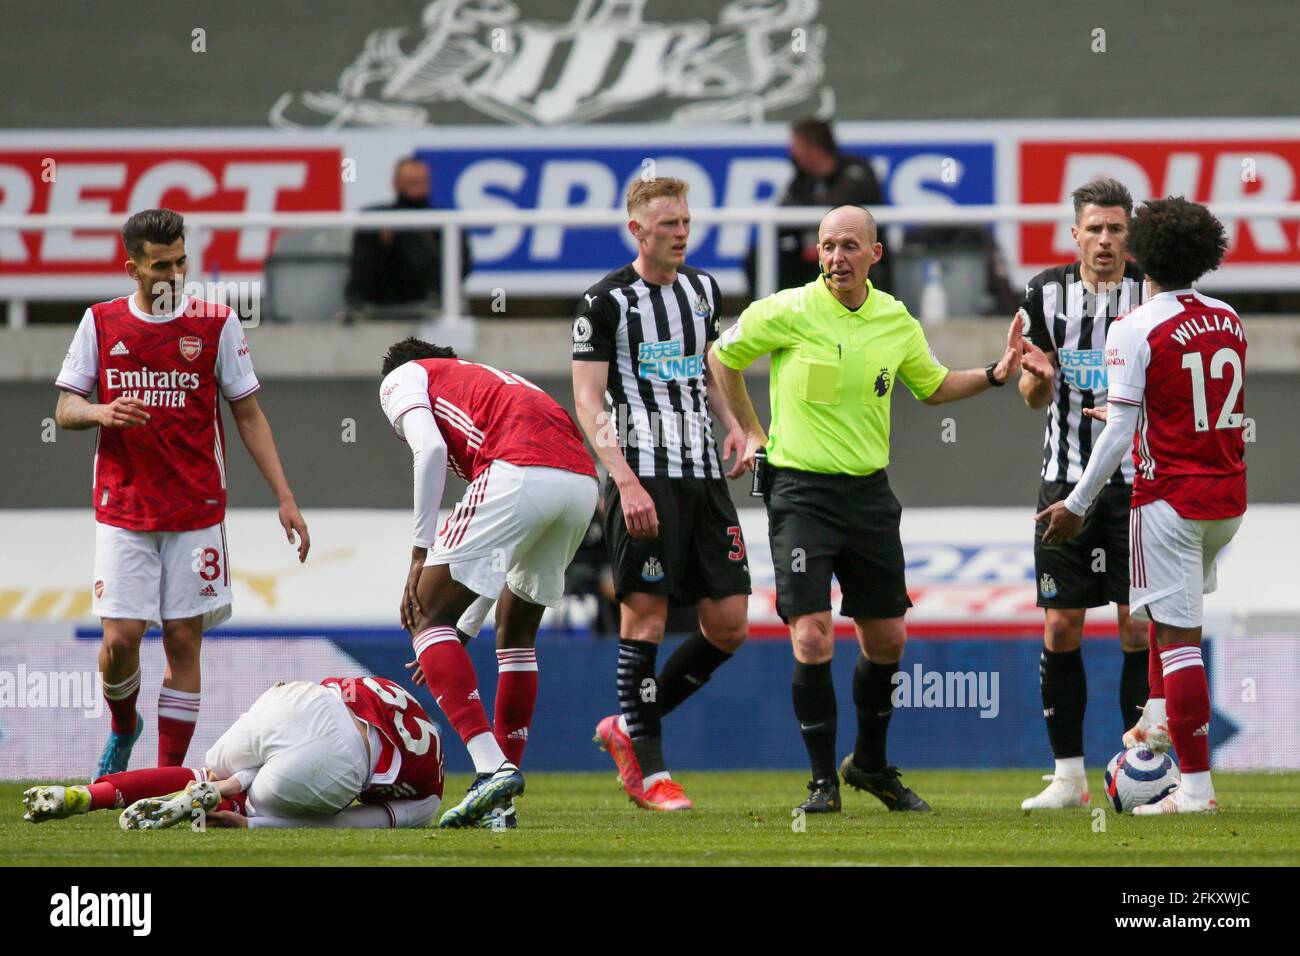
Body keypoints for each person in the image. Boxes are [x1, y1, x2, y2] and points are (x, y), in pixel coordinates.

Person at [709, 205, 1038, 814]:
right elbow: (721, 358)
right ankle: (820, 783)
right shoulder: (787, 309)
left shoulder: (895, 319)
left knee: (887, 639)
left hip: (867, 495)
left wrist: (996, 373)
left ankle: (869, 765)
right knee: (811, 635)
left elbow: (933, 386)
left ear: (874, 255)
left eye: (850, 246)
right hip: (800, 493)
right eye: (828, 245)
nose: (837, 257)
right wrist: (750, 432)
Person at [53, 208, 310, 780]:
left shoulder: (217, 324)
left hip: (196, 510)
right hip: (125, 508)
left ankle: (164, 776)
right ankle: (124, 727)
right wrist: (100, 410)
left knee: (182, 638)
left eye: (180, 262)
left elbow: (248, 416)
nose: (173, 275)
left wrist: (285, 496)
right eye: (160, 265)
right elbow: (65, 409)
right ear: (133, 268)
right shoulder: (101, 323)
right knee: (121, 641)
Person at [1037, 197, 1244, 815]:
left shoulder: (1135, 326)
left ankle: (1197, 791)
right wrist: (1136, 414)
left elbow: (1121, 435)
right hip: (1226, 497)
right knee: (1163, 615)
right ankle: (1155, 723)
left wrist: (1076, 503)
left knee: (1177, 640)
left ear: (1138, 254)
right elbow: (1194, 405)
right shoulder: (1227, 317)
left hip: (1170, 499)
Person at [571, 177, 752, 813]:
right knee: (644, 619)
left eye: (685, 221)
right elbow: (588, 399)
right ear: (637, 231)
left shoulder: (703, 290)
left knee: (729, 624)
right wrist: (622, 480)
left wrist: (734, 426)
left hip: (702, 477)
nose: (680, 232)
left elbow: (707, 368)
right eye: (668, 223)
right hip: (642, 477)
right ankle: (651, 774)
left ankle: (627, 724)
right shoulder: (604, 302)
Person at [380, 337, 598, 828]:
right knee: (516, 636)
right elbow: (494, 564)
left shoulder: (403, 377)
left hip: (518, 471)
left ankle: (489, 768)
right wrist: (462, 632)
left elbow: (430, 450)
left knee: (424, 612)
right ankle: (500, 802)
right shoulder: (494, 381)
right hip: (580, 485)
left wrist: (420, 553)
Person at [1016, 178, 1150, 811]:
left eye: (1116, 229)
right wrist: (1038, 380)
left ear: (1130, 236)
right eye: (1094, 228)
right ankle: (1068, 778)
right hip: (1065, 478)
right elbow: (1032, 391)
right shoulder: (1045, 293)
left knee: (1136, 627)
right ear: (1075, 234)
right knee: (1063, 624)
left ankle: (1143, 768)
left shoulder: (1151, 291)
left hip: (1137, 483)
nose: (1104, 239)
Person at [22, 676, 443, 830]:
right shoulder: (429, 799)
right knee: (255, 807)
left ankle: (84, 794)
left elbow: (315, 726)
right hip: (344, 756)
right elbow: (342, 822)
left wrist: (231, 780)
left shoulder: (394, 694)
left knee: (208, 770)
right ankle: (220, 795)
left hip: (299, 699)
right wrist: (253, 825)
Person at [745, 117, 889, 296]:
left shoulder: (856, 170)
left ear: (813, 148)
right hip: (810, 252)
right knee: (758, 255)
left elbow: (841, 211)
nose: (792, 153)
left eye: (795, 146)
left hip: (852, 253)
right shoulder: (801, 179)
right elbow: (785, 213)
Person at [346, 156, 472, 311]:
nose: (419, 189)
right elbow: (361, 270)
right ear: (396, 184)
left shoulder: (443, 222)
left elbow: (462, 266)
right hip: (383, 299)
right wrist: (387, 245)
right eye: (412, 183)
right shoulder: (377, 221)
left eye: (423, 182)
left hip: (432, 299)